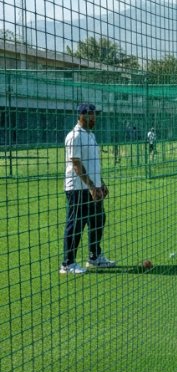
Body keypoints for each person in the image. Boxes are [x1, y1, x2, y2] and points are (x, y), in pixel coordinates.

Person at [61, 103, 116, 274]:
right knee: (76, 224)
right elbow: (76, 165)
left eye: (95, 114)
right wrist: (92, 186)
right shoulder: (74, 136)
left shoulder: (91, 136)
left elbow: (92, 165)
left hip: (93, 187)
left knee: (98, 220)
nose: (95, 118)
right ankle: (68, 264)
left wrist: (101, 184)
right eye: (92, 115)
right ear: (82, 115)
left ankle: (95, 257)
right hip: (78, 188)